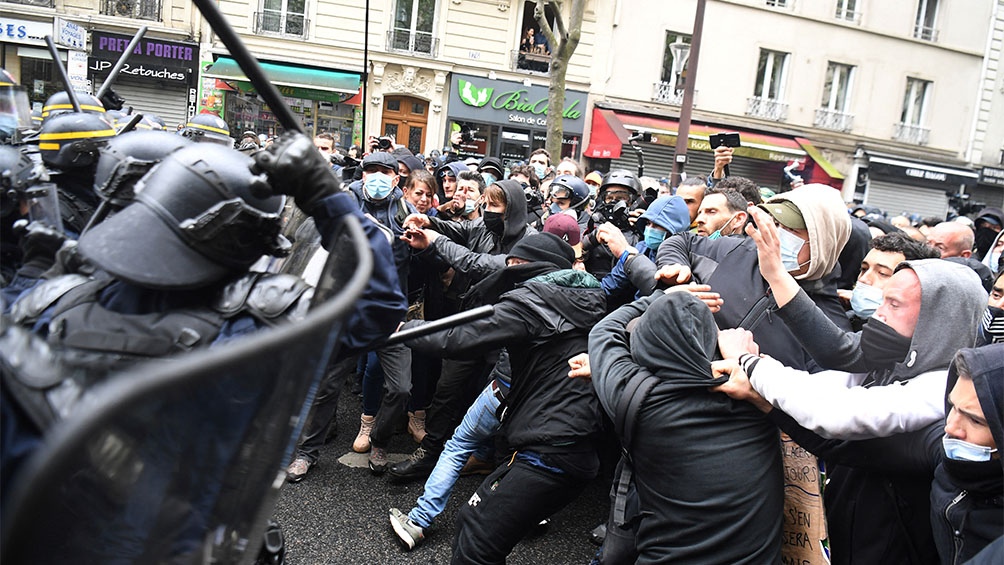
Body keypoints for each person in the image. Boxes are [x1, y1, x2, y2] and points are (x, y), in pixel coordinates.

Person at [400, 232, 606, 563]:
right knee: (471, 521)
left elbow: (456, 338)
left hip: (549, 451)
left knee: (476, 543)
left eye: (518, 266)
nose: (511, 272)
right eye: (509, 264)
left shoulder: (533, 304)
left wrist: (398, 330)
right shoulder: (588, 297)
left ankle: (420, 519)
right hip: (564, 445)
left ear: (539, 269)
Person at [719, 345, 1003, 565]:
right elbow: (851, 447)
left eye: (975, 421)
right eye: (952, 408)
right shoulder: (943, 453)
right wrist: (762, 401)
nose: (951, 427)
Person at [590, 291, 783, 565]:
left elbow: (603, 331)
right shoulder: (757, 396)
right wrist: (747, 361)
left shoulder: (640, 400)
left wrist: (658, 296)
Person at [656, 184, 853, 370]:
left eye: (791, 230)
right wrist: (676, 266)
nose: (776, 235)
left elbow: (811, 398)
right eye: (775, 223)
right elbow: (682, 242)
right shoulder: (741, 249)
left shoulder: (831, 331)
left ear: (824, 242)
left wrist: (754, 384)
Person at [840, 232, 939, 327]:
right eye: (864, 269)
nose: (864, 279)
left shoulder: (910, 339)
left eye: (882, 273)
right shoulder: (846, 317)